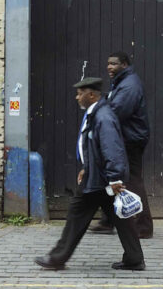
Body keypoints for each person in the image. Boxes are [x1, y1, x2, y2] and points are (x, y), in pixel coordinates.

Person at [34, 76, 145, 272]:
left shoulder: (103, 117)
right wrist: (87, 167)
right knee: (121, 218)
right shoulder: (97, 114)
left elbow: (112, 149)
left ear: (92, 95)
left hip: (100, 180)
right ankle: (134, 259)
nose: (77, 97)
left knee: (77, 215)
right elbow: (95, 147)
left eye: (80, 93)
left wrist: (115, 178)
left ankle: (57, 257)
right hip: (99, 177)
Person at [91, 51, 154, 239]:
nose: (109, 67)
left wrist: (98, 118)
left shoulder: (129, 86)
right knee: (113, 178)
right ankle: (109, 220)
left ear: (124, 65)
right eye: (108, 63)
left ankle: (143, 226)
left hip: (130, 140)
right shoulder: (122, 82)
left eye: (114, 64)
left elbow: (116, 112)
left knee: (132, 180)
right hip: (124, 138)